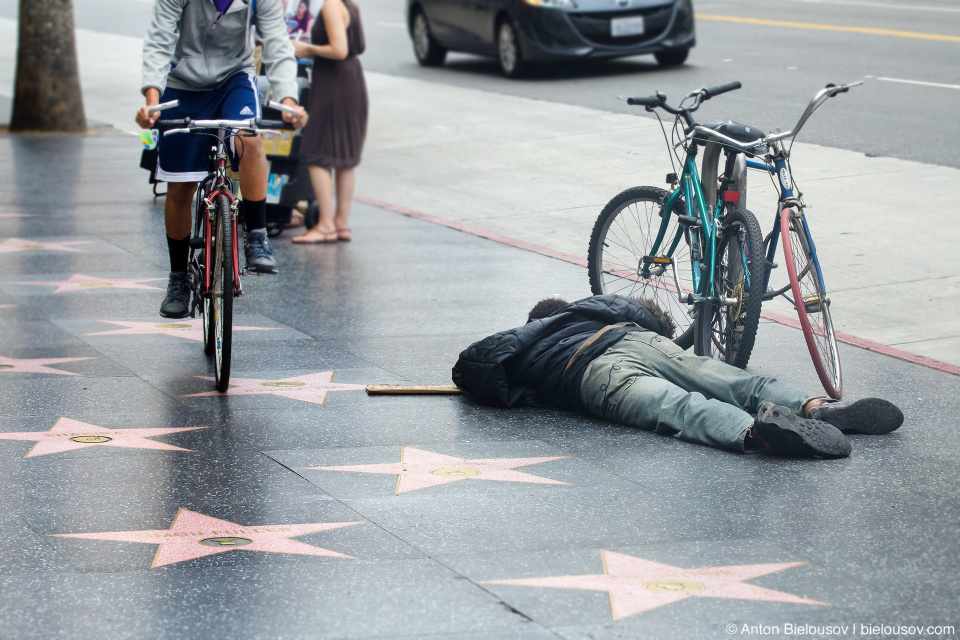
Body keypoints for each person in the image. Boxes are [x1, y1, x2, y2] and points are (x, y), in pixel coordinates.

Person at [453, 295, 904, 458]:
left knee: (678, 409)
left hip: (590, 375)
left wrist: (523, 390)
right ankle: (817, 407)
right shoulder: (590, 308)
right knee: (732, 380)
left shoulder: (518, 343)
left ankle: (756, 433)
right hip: (636, 340)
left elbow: (470, 370)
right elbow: (646, 314)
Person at [136, 0, 309, 318]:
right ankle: (178, 279)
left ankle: (257, 236)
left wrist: (289, 104)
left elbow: (277, 44)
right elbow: (159, 39)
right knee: (180, 188)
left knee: (250, 140)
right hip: (181, 83)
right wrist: (151, 103)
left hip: (234, 79)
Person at [290, 0, 367, 244]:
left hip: (334, 83)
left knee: (315, 150)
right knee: (345, 157)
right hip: (351, 80)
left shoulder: (332, 5)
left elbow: (339, 49)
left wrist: (307, 48)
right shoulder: (349, 4)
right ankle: (340, 224)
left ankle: (325, 225)